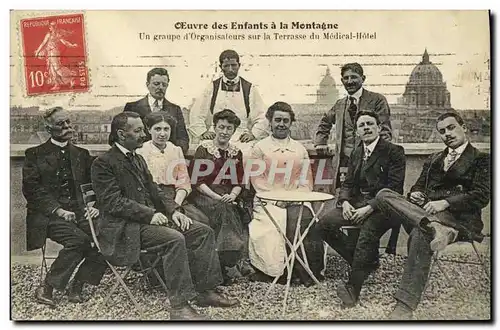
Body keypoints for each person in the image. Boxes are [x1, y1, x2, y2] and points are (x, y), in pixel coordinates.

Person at [336, 112, 491, 320]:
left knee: (421, 234)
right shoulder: (435, 159)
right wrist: (416, 195)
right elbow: (418, 188)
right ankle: (434, 227)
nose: (447, 134)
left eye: (451, 128)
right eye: (442, 131)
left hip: (459, 220)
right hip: (425, 214)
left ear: (463, 127)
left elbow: (481, 196)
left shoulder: (482, 160)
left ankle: (405, 306)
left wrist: (444, 202)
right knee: (384, 195)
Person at [91, 112, 239, 320]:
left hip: (143, 221)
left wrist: (174, 211)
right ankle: (179, 306)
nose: (143, 134)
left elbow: (155, 192)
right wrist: (151, 215)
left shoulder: (137, 158)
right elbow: (113, 203)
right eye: (139, 130)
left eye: (143, 129)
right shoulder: (103, 163)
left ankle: (205, 291)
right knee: (174, 238)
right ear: (122, 134)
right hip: (123, 228)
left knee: (201, 231)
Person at [22, 107, 106, 307]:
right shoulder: (34, 154)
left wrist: (95, 205)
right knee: (79, 241)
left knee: (109, 236)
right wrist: (58, 210)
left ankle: (78, 284)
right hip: (48, 216)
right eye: (61, 124)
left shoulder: (82, 154)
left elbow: (96, 185)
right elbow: (32, 190)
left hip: (79, 213)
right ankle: (47, 287)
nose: (67, 127)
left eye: (69, 122)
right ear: (48, 128)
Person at [314, 62, 396, 254]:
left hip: (372, 165)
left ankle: (365, 257)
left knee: (367, 214)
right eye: (346, 78)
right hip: (346, 167)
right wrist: (320, 141)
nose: (349, 81)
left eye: (354, 77)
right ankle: (358, 258)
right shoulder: (340, 104)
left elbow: (384, 131)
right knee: (346, 210)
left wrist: (377, 158)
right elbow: (325, 122)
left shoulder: (376, 100)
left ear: (363, 79)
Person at [248, 101, 325, 285]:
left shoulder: (299, 149)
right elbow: (258, 181)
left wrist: (293, 199)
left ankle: (306, 272)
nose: (281, 124)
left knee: (304, 219)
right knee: (273, 225)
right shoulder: (260, 148)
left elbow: (306, 181)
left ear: (291, 123)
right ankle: (277, 273)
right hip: (268, 201)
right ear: (270, 122)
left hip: (296, 199)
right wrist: (277, 199)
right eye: (277, 120)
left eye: (286, 120)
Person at [317, 110, 406, 266]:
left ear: (379, 128)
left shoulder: (394, 151)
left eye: (370, 124)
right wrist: (344, 202)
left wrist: (369, 208)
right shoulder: (357, 153)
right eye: (362, 125)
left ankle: (360, 268)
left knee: (367, 232)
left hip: (383, 207)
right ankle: (362, 260)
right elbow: (348, 183)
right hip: (357, 203)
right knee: (323, 225)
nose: (366, 128)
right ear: (357, 132)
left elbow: (394, 188)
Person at [189, 109, 252, 284]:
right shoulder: (204, 150)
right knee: (225, 209)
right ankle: (230, 261)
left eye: (229, 128)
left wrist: (232, 195)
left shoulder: (235, 152)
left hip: (228, 196)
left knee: (233, 208)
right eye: (221, 127)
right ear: (214, 127)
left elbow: (239, 181)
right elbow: (197, 182)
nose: (224, 132)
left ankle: (228, 262)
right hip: (205, 195)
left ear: (234, 131)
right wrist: (217, 197)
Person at [188, 49, 268, 157]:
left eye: (233, 65)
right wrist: (203, 132)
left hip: (240, 136)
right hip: (216, 134)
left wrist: (253, 133)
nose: (230, 69)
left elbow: (261, 115)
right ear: (221, 67)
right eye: (226, 66)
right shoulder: (212, 87)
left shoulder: (249, 88)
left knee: (247, 155)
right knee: (206, 153)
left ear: (239, 65)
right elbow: (196, 112)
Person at [124, 67, 189, 154]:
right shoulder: (132, 107)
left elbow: (183, 140)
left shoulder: (175, 109)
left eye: (164, 85)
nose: (160, 87)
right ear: (147, 85)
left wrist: (169, 153)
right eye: (156, 84)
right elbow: (124, 138)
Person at [34, 21, 78, 91]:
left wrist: (72, 45)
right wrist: (38, 51)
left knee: (57, 68)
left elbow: (65, 42)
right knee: (52, 69)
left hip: (55, 53)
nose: (51, 28)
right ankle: (57, 84)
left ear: (55, 27)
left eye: (53, 27)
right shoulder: (48, 34)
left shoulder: (58, 35)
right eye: (51, 27)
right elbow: (43, 43)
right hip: (49, 53)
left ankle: (71, 77)